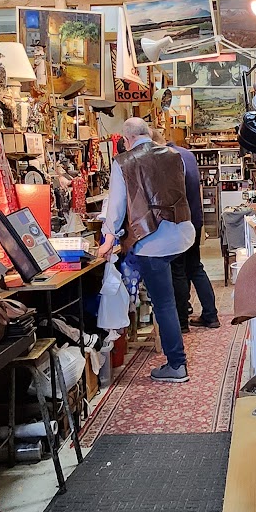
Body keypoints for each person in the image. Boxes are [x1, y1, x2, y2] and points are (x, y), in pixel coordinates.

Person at [97, 118, 195, 384]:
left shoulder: (123, 162)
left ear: (126, 139)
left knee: (164, 304)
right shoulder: (174, 156)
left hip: (153, 242)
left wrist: (108, 239)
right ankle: (176, 354)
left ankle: (177, 365)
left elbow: (116, 208)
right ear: (148, 134)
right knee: (171, 297)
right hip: (182, 235)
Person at [171, 139, 220, 329]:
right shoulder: (187, 154)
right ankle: (210, 315)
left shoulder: (170, 158)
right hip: (194, 220)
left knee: (179, 272)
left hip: (180, 223)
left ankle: (182, 321)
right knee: (195, 268)